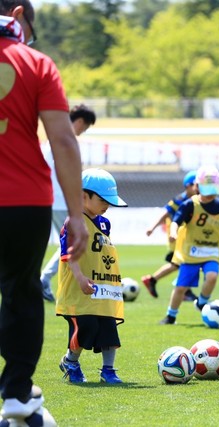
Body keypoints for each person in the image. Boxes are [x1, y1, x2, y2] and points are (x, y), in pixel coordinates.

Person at [0, 0, 88, 424]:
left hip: (22, 199)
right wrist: (76, 212)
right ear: (18, 15)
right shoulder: (36, 63)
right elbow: (63, 140)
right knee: (20, 293)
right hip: (22, 201)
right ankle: (16, 390)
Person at [56, 168, 128, 384]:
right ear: (83, 196)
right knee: (85, 327)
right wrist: (79, 278)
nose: (107, 205)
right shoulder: (73, 222)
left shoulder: (105, 224)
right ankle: (71, 361)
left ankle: (108, 370)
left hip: (102, 288)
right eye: (103, 199)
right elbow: (69, 255)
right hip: (80, 290)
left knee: (108, 329)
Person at [159, 166, 219, 325]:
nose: (210, 194)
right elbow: (176, 221)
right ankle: (171, 316)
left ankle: (202, 302)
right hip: (191, 253)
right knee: (181, 287)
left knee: (212, 276)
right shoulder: (189, 205)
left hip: (211, 251)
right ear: (197, 187)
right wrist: (173, 233)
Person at [40, 104, 97, 302]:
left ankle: (46, 279)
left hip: (51, 199)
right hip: (63, 200)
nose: (83, 131)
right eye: (86, 127)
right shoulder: (66, 141)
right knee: (74, 242)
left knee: (68, 242)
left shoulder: (52, 140)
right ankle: (45, 279)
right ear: (80, 121)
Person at [142, 170, 198, 301]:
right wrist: (152, 228)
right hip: (177, 237)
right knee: (181, 263)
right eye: (195, 185)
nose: (198, 188)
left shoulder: (197, 200)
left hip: (187, 238)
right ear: (188, 186)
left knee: (183, 263)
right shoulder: (179, 200)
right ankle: (155, 280)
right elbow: (166, 213)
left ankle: (183, 289)